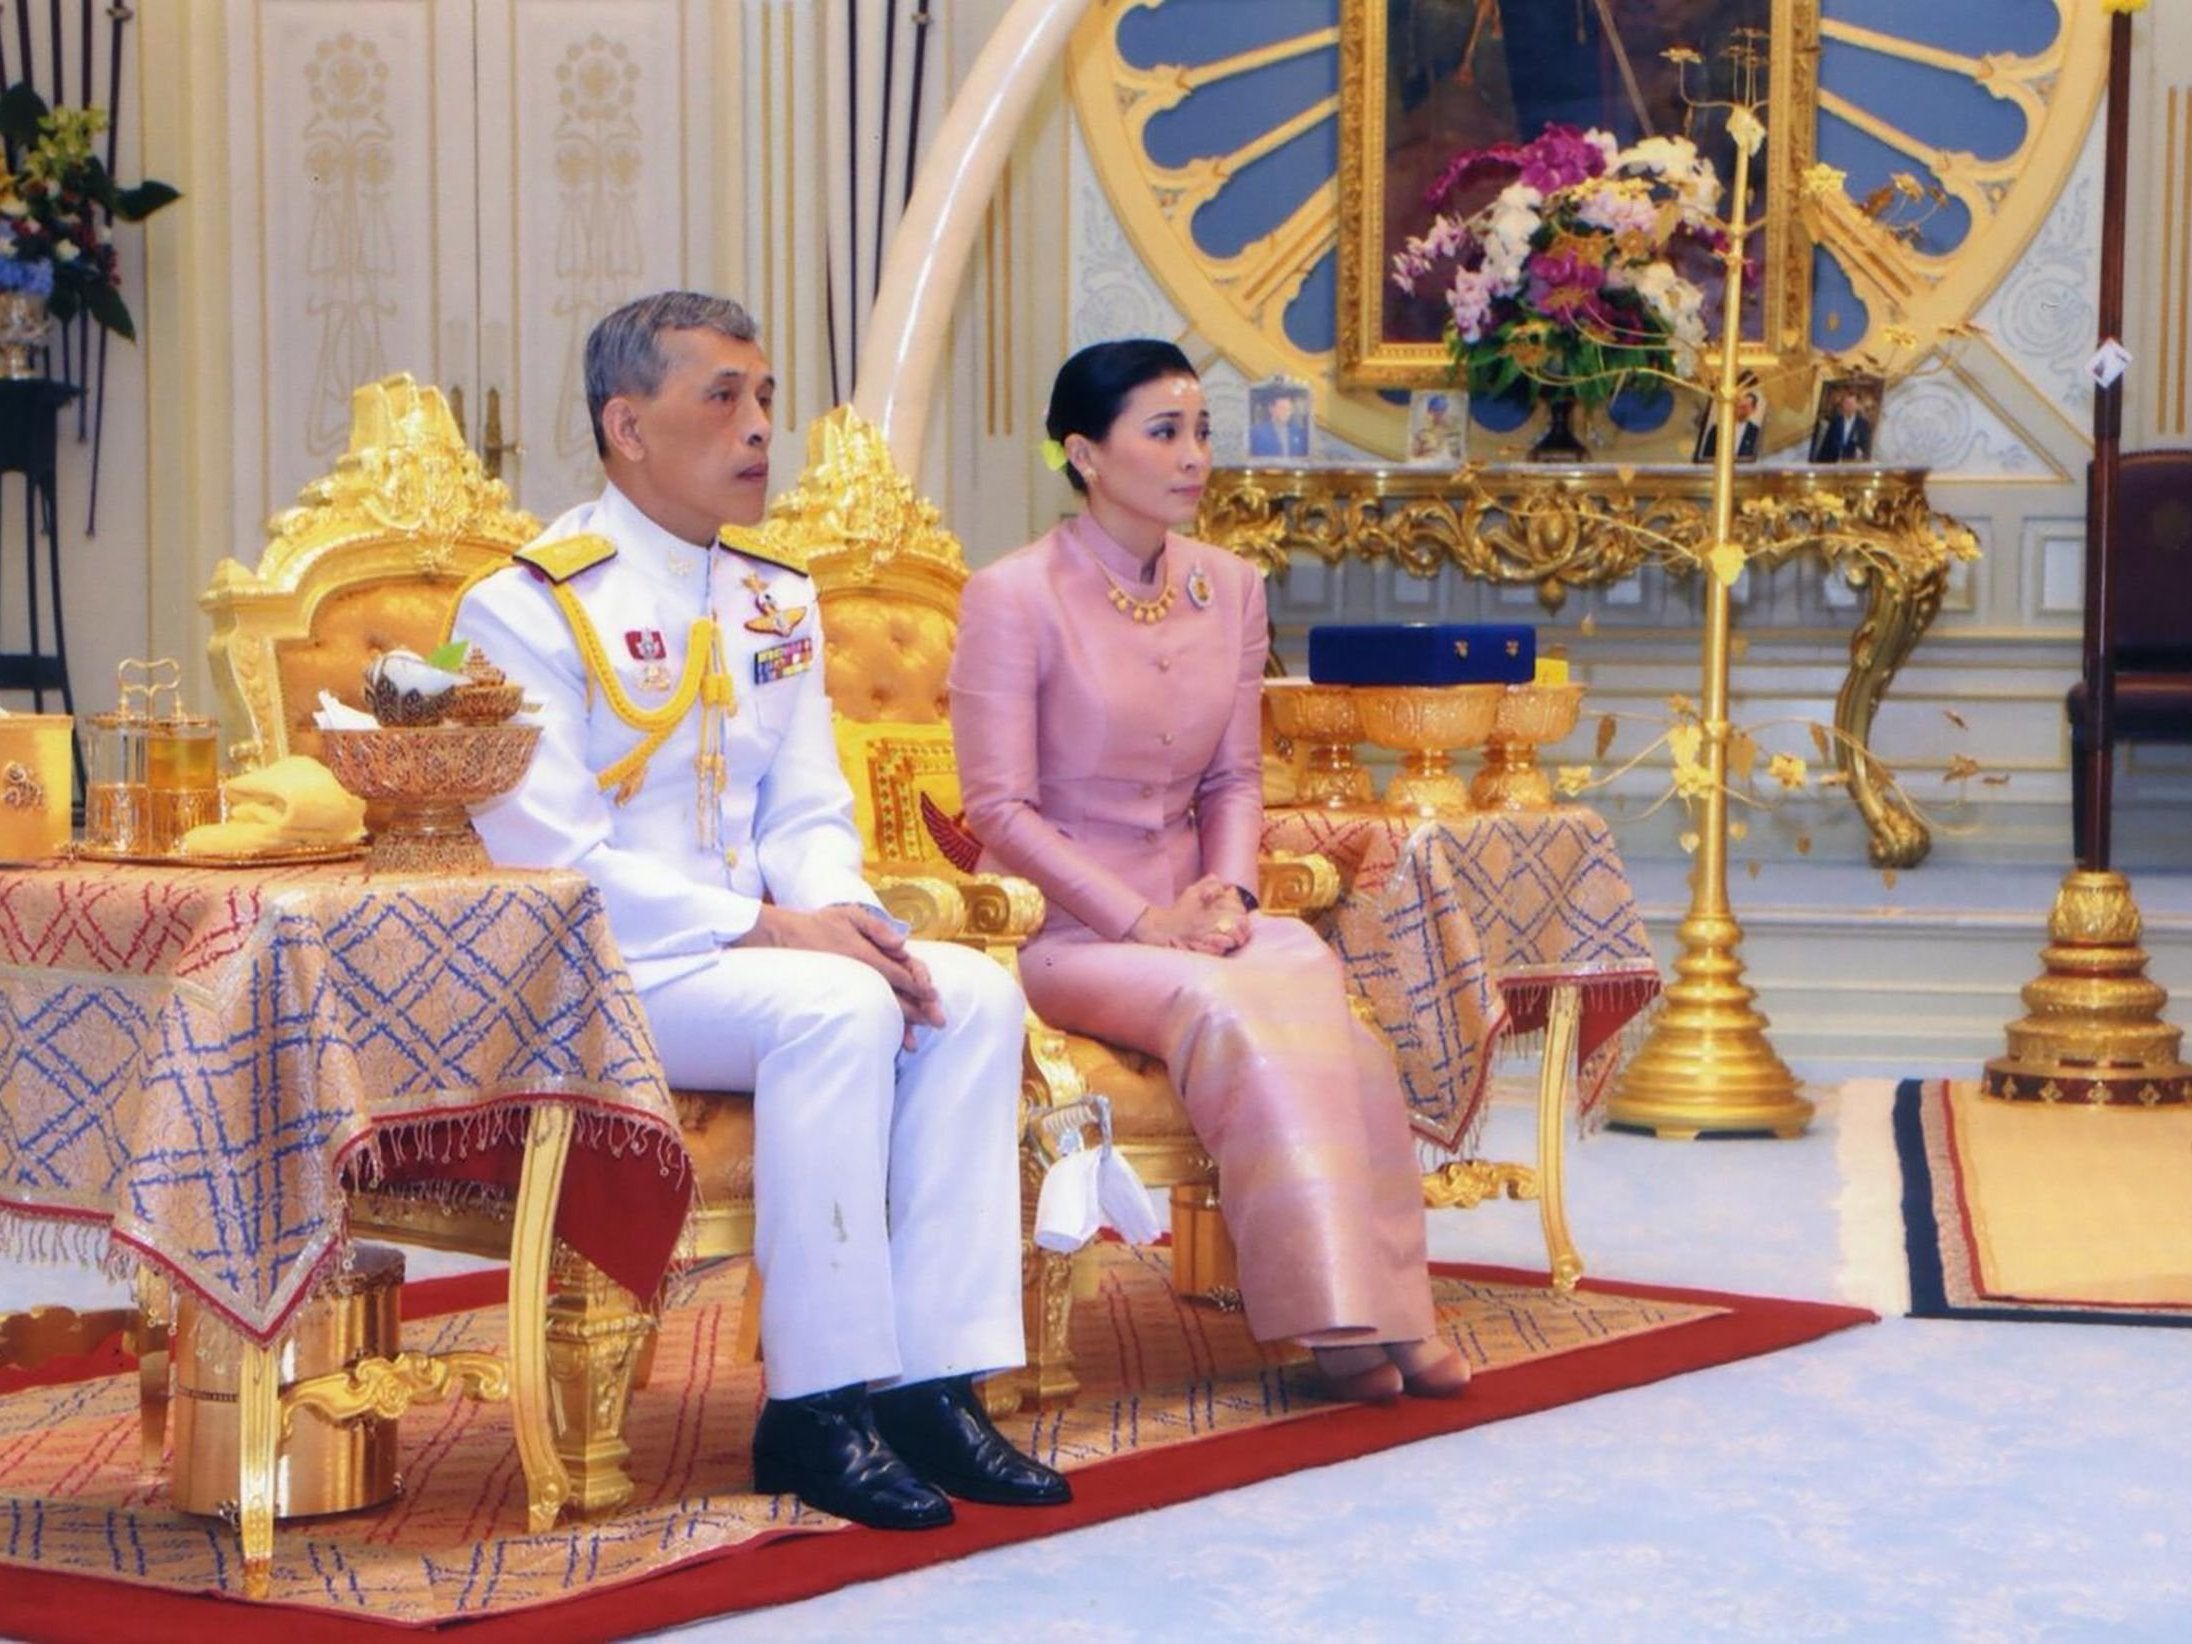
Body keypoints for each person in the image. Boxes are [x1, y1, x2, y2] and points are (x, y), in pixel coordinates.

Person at [452, 291, 1066, 1531]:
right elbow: (546, 850)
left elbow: (808, 809)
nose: (757, 427)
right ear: (627, 425)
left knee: (972, 990)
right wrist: (780, 934)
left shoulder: (775, 594)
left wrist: (852, 920)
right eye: (720, 398)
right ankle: (816, 1408)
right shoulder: (527, 605)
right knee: (833, 1010)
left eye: (765, 396)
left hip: (760, 955)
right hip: (607, 964)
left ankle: (934, 1383)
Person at [948, 339, 1470, 1404]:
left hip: (1202, 915)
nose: (1193, 457)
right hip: (1064, 934)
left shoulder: (1228, 588)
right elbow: (998, 806)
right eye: (1164, 433)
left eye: (1200, 433)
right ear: (1086, 455)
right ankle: (1328, 1323)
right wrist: (1144, 921)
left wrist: (1229, 895)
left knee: (1336, 1017)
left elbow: (1235, 777)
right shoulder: (1012, 597)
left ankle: (1397, 1314)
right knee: (1224, 1008)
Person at [1809, 384, 1873, 463]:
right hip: (1833, 463)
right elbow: (1826, 445)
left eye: (1852, 404)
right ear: (1843, 405)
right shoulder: (1835, 422)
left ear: (1856, 405)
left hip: (1852, 465)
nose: (1849, 406)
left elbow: (1866, 447)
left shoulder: (1863, 424)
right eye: (1847, 403)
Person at [1248, 388, 1310, 458]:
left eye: (1289, 409)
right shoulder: (1256, 432)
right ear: (1271, 409)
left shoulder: (1299, 432)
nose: (1287, 413)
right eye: (1282, 408)